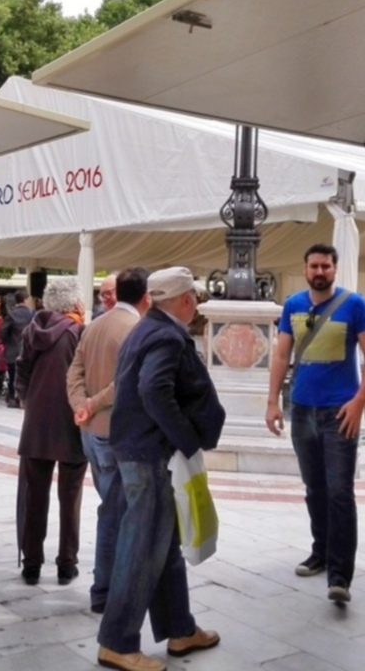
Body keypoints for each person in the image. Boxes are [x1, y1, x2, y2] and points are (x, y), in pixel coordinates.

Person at [97, 267, 225, 671]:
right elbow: (154, 388)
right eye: (195, 299)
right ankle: (117, 642)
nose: (197, 305)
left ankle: (180, 629)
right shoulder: (167, 334)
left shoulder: (146, 327)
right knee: (142, 548)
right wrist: (185, 437)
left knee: (163, 545)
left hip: (139, 448)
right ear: (185, 299)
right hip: (150, 453)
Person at [266, 243, 365, 605]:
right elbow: (281, 355)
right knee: (314, 488)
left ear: (335, 268)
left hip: (340, 412)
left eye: (325, 265)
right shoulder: (292, 305)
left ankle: (340, 576)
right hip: (303, 409)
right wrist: (272, 402)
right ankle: (320, 551)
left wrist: (358, 402)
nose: (319, 271)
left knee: (340, 492)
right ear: (305, 268)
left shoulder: (355, 305)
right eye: (314, 266)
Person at [67, 267, 150, 613]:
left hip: (91, 432)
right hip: (118, 434)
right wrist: (91, 403)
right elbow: (126, 383)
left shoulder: (94, 324)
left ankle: (113, 584)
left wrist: (79, 406)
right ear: (146, 296)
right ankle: (105, 589)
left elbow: (75, 370)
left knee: (112, 507)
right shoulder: (137, 330)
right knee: (116, 514)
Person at [16, 276, 87, 586]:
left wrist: (27, 399)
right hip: (71, 421)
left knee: (34, 496)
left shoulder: (33, 330)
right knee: (70, 497)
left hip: (37, 422)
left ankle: (31, 564)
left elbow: (22, 369)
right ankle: (66, 563)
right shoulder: (78, 332)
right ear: (73, 303)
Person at [0, 289, 33, 408]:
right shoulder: (31, 314)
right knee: (25, 376)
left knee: (12, 376)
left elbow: (3, 331)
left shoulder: (11, 314)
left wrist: (7, 342)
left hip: (12, 351)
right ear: (25, 300)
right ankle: (23, 398)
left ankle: (12, 397)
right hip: (28, 351)